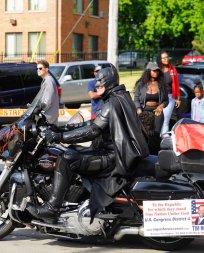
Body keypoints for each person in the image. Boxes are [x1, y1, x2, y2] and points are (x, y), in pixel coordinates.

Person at [27, 65, 149, 223]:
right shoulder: (119, 97)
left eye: (101, 82)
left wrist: (59, 136)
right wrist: (64, 128)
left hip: (112, 157)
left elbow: (93, 130)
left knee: (65, 159)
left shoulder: (111, 103)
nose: (97, 85)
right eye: (96, 82)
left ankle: (52, 208)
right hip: (118, 154)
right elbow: (95, 123)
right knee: (72, 150)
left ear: (109, 82)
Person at [133, 62, 169, 155]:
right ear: (148, 71)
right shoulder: (141, 84)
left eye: (157, 71)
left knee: (156, 134)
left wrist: (161, 106)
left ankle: (155, 155)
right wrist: (139, 109)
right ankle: (145, 153)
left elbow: (166, 100)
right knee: (145, 134)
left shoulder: (162, 84)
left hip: (157, 111)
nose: (156, 72)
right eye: (154, 71)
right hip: (144, 111)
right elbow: (136, 98)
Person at [158, 51, 180, 134]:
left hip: (170, 97)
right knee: (158, 118)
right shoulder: (158, 70)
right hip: (159, 97)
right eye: (163, 58)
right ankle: (157, 138)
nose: (166, 59)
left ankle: (163, 139)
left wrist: (178, 98)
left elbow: (177, 84)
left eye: (167, 57)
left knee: (165, 119)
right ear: (160, 59)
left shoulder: (172, 69)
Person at [36, 60, 59, 126]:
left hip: (48, 116)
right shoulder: (46, 80)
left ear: (46, 69)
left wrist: (41, 108)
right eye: (37, 68)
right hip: (48, 115)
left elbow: (48, 99)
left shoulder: (48, 80)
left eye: (40, 68)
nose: (38, 70)